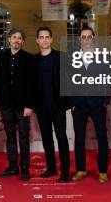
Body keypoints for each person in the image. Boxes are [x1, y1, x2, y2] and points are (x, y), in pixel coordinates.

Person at [70, 27, 110, 184]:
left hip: (97, 103)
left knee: (102, 137)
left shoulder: (103, 57)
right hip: (78, 104)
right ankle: (81, 170)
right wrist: (72, 102)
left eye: (89, 36)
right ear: (80, 39)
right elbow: (68, 80)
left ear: (93, 38)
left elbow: (110, 79)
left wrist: (105, 99)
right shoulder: (73, 57)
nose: (86, 39)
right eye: (83, 37)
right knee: (79, 138)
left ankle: (103, 171)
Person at [0, 27, 35, 181]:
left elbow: (32, 85)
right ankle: (13, 167)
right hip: (6, 105)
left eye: (19, 38)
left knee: (24, 138)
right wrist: (0, 98)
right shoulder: (2, 56)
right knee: (10, 137)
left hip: (22, 105)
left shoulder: (29, 58)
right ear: (9, 40)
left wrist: (29, 105)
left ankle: (24, 169)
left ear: (23, 41)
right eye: (14, 37)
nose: (16, 40)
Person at [34, 27, 70, 182]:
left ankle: (65, 171)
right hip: (42, 107)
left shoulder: (61, 57)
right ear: (37, 40)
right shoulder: (33, 60)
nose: (44, 40)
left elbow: (70, 80)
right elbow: (31, 85)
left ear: (51, 39)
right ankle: (51, 168)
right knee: (47, 138)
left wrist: (68, 103)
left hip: (58, 106)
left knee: (62, 138)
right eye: (41, 37)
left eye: (47, 37)